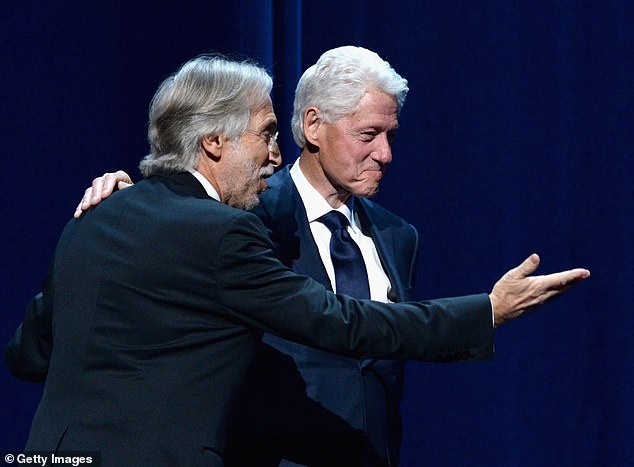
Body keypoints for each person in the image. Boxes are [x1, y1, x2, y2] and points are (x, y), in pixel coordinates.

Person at [6, 54, 589, 467]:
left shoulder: (95, 217)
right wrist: (485, 311)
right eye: (264, 135)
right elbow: (341, 322)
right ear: (214, 142)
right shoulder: (230, 230)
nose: (274, 151)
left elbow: (30, 354)